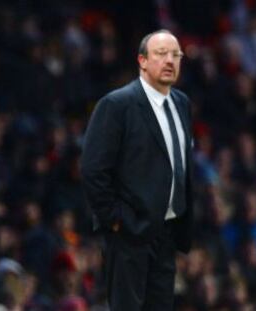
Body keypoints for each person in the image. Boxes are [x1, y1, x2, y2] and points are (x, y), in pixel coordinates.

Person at [81, 29, 194, 311]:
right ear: (142, 61)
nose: (170, 60)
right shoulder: (116, 104)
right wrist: (117, 221)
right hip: (129, 235)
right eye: (161, 54)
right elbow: (94, 170)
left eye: (175, 55)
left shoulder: (182, 103)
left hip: (166, 233)